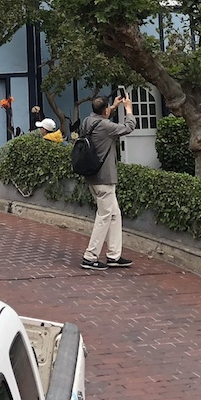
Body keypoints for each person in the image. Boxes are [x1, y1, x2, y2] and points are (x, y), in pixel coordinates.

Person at [78, 91, 136, 270]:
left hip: (92, 177)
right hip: (104, 179)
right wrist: (128, 109)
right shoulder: (106, 126)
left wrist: (113, 106)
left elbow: (101, 115)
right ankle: (90, 256)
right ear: (105, 112)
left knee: (114, 214)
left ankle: (113, 255)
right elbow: (128, 127)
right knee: (104, 216)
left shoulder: (87, 121)